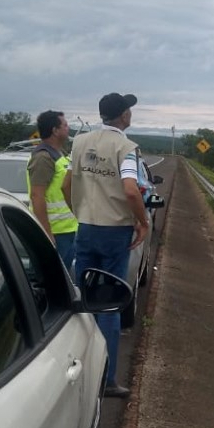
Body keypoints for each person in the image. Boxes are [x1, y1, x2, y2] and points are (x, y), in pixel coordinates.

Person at [68, 92, 149, 399]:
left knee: (85, 299)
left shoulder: (79, 143)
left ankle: (79, 368)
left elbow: (67, 184)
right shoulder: (125, 148)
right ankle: (107, 378)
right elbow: (130, 190)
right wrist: (143, 221)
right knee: (111, 304)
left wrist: (80, 211)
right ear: (123, 116)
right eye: (129, 110)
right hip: (115, 231)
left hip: (86, 227)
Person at [27, 110, 78, 270]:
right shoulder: (43, 157)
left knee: (64, 279)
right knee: (52, 279)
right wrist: (46, 234)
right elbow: (37, 195)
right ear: (55, 131)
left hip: (67, 229)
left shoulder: (59, 154)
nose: (68, 128)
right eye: (65, 125)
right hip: (55, 232)